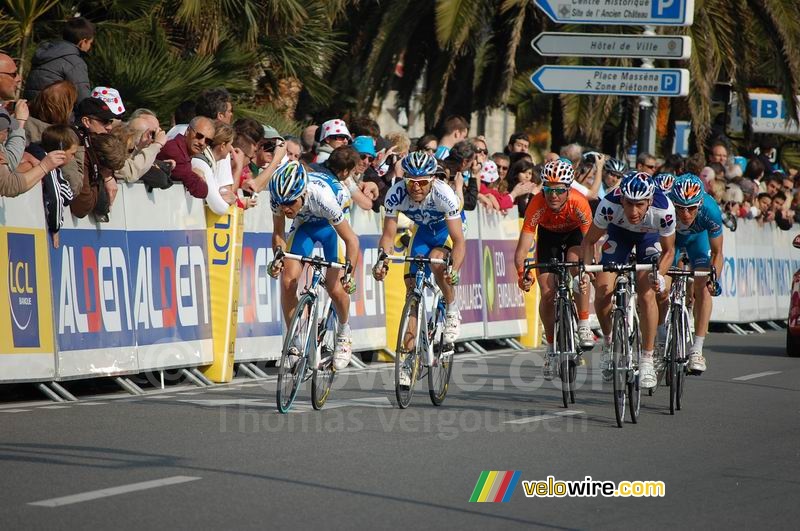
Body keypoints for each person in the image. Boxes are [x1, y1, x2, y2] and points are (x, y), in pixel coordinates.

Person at [580, 172, 676, 389]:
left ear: (650, 201)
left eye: (639, 205)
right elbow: (589, 242)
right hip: (619, 235)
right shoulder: (609, 204)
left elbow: (669, 252)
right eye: (629, 203)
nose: (633, 211)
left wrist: (659, 276)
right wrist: (586, 271)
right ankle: (609, 343)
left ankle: (647, 360)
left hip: (649, 238)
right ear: (621, 198)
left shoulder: (664, 209)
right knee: (604, 290)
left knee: (647, 293)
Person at [267, 162, 359, 370]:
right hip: (305, 225)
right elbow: (279, 233)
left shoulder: (323, 199)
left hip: (329, 226)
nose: (285, 209)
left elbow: (352, 240)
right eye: (281, 204)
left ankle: (344, 332)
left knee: (336, 288)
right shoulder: (279, 198)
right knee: (288, 280)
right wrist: (278, 259)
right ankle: (294, 342)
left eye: (290, 203)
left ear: (303, 193)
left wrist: (349, 274)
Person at [372, 152, 465, 354]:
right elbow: (388, 236)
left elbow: (459, 240)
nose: (415, 187)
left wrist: (454, 269)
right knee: (411, 290)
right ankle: (407, 356)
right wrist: (382, 262)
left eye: (422, 182)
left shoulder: (444, 195)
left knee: (438, 261)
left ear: (431, 180)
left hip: (445, 231)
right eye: (411, 181)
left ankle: (451, 309)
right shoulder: (395, 194)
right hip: (422, 232)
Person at [515, 160, 594, 379]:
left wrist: (587, 269)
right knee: (548, 293)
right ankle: (550, 349)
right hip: (548, 238)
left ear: (569, 188)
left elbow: (590, 242)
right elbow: (522, 249)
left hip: (575, 237)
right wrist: (523, 274)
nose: (554, 195)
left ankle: (584, 324)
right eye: (549, 190)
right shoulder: (536, 204)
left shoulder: (579, 202)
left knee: (577, 267)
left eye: (560, 190)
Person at [665, 174, 723, 374]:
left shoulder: (710, 209)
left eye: (691, 208)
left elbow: (717, 253)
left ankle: (697, 350)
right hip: (672, 242)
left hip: (699, 241)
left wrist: (714, 279)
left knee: (703, 287)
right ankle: (659, 339)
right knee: (662, 285)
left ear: (700, 203)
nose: (686, 213)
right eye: (680, 207)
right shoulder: (664, 206)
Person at [24, 17, 94, 103]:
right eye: (90, 43)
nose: (90, 47)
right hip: (54, 113)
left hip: (29, 110)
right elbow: (83, 100)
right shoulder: (75, 62)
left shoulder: (44, 53)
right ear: (83, 42)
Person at [157, 116, 214, 198]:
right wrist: (197, 176)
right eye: (199, 136)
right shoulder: (175, 152)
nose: (202, 142)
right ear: (187, 131)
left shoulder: (183, 152)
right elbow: (201, 191)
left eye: (207, 141)